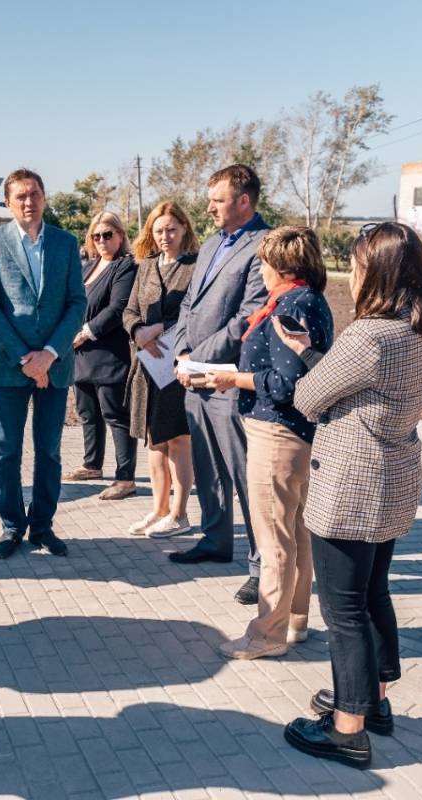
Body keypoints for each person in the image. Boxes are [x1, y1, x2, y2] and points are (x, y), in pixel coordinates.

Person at [278, 221, 422, 770]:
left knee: (343, 610)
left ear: (377, 272)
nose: (349, 275)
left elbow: (308, 397)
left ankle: (348, 729)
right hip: (393, 482)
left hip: (351, 486)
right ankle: (373, 702)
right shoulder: (419, 330)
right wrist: (317, 354)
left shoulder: (368, 336)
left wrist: (306, 357)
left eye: (355, 266)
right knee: (374, 594)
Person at [195, 227, 334, 659]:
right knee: (296, 532)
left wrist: (229, 378)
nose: (260, 269)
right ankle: (294, 622)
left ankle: (265, 635)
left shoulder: (290, 306)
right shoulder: (309, 299)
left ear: (281, 265)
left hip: (277, 431)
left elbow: (286, 382)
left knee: (274, 536)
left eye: (263, 262)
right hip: (299, 432)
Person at [0, 168, 87, 559]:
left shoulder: (65, 243)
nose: (28, 201)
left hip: (54, 364)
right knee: (8, 450)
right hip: (8, 365)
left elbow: (77, 302)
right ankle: (11, 526)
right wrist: (26, 357)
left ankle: (42, 526)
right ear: (7, 202)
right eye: (20, 195)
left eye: (35, 193)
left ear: (44, 197)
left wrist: (50, 354)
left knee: (50, 450)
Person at [170, 164, 270, 592]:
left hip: (230, 379)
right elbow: (189, 304)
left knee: (244, 471)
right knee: (207, 465)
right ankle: (215, 539)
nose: (209, 207)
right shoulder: (211, 243)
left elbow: (249, 315)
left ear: (243, 201)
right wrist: (180, 352)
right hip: (194, 375)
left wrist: (198, 359)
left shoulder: (264, 244)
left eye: (219, 199)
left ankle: (261, 564)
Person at [121, 202, 199, 538]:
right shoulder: (146, 266)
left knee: (178, 442)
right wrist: (138, 330)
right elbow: (129, 309)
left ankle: (180, 514)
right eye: (158, 230)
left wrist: (162, 328)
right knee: (154, 443)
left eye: (171, 229)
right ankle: (159, 510)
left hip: (176, 366)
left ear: (184, 229)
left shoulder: (195, 267)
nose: (165, 236)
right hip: (146, 368)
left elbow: (195, 313)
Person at [66, 211, 139, 500]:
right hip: (80, 355)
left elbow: (117, 307)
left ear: (120, 236)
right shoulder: (89, 266)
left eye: (108, 234)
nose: (102, 240)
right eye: (96, 236)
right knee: (87, 412)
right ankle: (92, 464)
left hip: (108, 353)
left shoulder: (125, 267)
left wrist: (85, 332)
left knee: (115, 414)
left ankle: (125, 478)